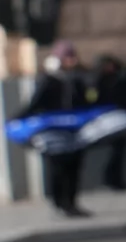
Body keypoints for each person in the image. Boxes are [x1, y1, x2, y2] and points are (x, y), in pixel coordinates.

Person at [26, 41, 94, 218]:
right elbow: (35, 103)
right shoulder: (49, 79)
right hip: (54, 131)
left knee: (74, 168)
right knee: (57, 169)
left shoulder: (77, 78)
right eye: (68, 57)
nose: (71, 61)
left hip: (74, 130)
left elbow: (89, 98)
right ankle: (59, 203)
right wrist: (19, 119)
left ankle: (71, 203)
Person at [92, 53, 126, 190]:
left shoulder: (120, 79)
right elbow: (93, 98)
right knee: (114, 152)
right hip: (105, 118)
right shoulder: (99, 81)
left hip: (120, 117)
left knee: (119, 151)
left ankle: (116, 179)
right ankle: (110, 178)